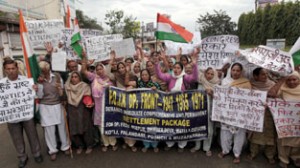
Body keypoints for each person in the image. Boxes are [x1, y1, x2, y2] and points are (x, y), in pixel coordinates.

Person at [1, 59, 43, 168]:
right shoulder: (1, 84)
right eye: (8, 69)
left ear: (17, 68)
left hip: (27, 116)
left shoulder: (26, 81)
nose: (11, 71)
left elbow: (36, 96)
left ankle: (37, 153)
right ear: (5, 70)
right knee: (17, 138)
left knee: (32, 135)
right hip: (12, 117)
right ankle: (22, 157)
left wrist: (35, 89)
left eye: (13, 68)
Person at [155, 51, 198, 152]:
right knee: (170, 124)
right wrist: (157, 63)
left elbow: (194, 78)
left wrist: (195, 65)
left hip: (182, 105)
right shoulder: (170, 77)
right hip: (170, 105)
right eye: (174, 68)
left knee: (181, 124)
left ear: (182, 69)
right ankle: (170, 143)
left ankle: (181, 145)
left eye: (178, 68)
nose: (176, 69)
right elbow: (159, 75)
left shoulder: (185, 78)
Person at [81, 54, 118, 152]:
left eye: (101, 69)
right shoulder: (94, 78)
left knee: (110, 124)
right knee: (101, 127)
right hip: (98, 107)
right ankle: (105, 143)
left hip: (108, 107)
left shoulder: (110, 78)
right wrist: (84, 58)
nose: (99, 71)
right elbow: (84, 71)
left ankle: (113, 142)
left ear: (104, 69)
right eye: (97, 69)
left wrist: (112, 58)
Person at [218, 62, 251, 164]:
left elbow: (250, 99)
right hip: (226, 112)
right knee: (225, 132)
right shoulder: (225, 82)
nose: (235, 72)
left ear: (241, 72)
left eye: (238, 70)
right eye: (233, 70)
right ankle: (225, 150)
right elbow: (220, 95)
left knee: (239, 134)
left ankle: (237, 154)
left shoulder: (246, 83)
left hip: (240, 113)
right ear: (230, 71)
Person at [37, 61, 70, 161]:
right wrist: (40, 84)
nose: (45, 72)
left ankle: (65, 147)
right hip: (45, 106)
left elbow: (62, 92)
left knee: (62, 127)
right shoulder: (38, 79)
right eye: (43, 70)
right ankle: (52, 150)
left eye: (46, 70)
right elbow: (39, 96)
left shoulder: (57, 76)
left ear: (49, 68)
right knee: (49, 130)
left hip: (58, 104)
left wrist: (60, 89)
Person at [125, 69, 161, 153]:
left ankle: (155, 145)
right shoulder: (138, 84)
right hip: (142, 110)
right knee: (144, 128)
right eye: (143, 75)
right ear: (141, 76)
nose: (144, 76)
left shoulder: (155, 84)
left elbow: (160, 95)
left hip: (153, 110)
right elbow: (128, 85)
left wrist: (156, 89)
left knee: (153, 128)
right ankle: (146, 145)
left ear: (149, 75)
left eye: (146, 74)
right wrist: (128, 89)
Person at [248, 68, 276, 164]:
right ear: (256, 76)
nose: (266, 76)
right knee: (255, 134)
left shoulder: (272, 84)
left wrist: (272, 96)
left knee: (270, 134)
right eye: (263, 74)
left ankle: (270, 155)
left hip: (269, 114)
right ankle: (253, 153)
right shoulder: (250, 85)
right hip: (256, 114)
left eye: (266, 74)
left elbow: (277, 96)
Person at [191, 67, 220, 156]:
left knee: (209, 130)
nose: (209, 76)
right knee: (198, 127)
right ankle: (197, 146)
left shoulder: (217, 85)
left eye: (212, 74)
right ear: (205, 73)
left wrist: (212, 93)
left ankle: (207, 148)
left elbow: (220, 98)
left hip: (210, 110)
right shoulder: (200, 82)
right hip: (199, 110)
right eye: (208, 73)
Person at [65, 71, 94, 154]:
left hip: (83, 109)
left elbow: (88, 97)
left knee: (85, 127)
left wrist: (88, 102)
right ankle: (79, 145)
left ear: (79, 78)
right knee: (74, 128)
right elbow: (63, 97)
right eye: (72, 77)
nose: (74, 79)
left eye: (76, 77)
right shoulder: (67, 87)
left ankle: (89, 145)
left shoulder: (84, 86)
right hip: (72, 110)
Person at [275, 71, 300, 168]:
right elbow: (272, 94)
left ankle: (296, 158)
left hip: (297, 124)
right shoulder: (282, 89)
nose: (292, 82)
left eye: (294, 79)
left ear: (299, 80)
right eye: (289, 80)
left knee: (297, 142)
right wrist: (282, 80)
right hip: (284, 123)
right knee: (283, 142)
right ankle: (283, 159)